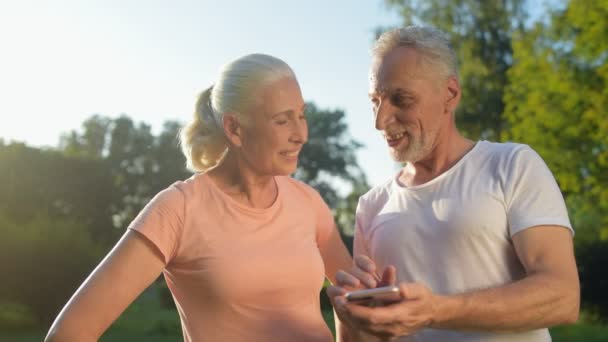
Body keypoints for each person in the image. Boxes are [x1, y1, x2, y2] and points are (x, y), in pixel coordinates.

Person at [45, 53, 352, 342]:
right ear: (234, 128)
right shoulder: (177, 209)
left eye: (301, 115)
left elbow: (356, 299)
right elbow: (70, 333)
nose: (301, 134)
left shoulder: (308, 202)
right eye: (283, 120)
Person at [328, 26, 580, 342]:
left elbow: (562, 296)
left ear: (450, 93)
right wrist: (351, 317)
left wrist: (436, 311)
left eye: (400, 99)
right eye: (375, 101)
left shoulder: (512, 165)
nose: (380, 121)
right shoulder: (371, 205)